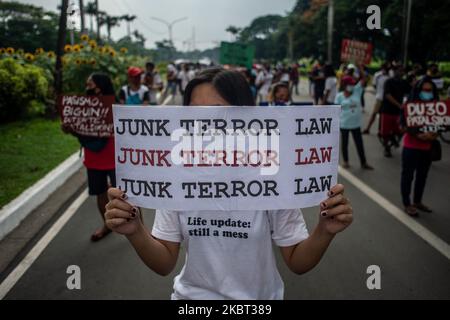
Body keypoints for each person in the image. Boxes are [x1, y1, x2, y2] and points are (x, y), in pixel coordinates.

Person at [104, 67, 354, 300]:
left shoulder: (270, 178)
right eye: (194, 112)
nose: (204, 124)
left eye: (217, 110)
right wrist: (135, 231)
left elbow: (297, 261)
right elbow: (164, 263)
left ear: (246, 116)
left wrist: (325, 230)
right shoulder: (178, 179)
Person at [62, 73, 117, 242]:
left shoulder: (115, 105)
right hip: (94, 159)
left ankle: (141, 228)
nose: (87, 87)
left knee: (127, 195)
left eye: (90, 84)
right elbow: (78, 130)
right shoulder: (82, 108)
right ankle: (107, 225)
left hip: (116, 158)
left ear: (99, 86)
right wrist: (69, 128)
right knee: (100, 194)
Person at [400, 77, 439, 216]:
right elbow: (402, 126)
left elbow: (441, 124)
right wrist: (418, 135)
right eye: (425, 90)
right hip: (411, 147)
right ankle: (407, 203)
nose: (427, 93)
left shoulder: (437, 107)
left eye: (430, 90)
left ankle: (417, 201)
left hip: (427, 149)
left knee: (422, 176)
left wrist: (435, 135)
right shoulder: (408, 105)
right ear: (418, 91)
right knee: (408, 176)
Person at [334, 65, 374, 170]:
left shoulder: (357, 91)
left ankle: (363, 162)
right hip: (344, 124)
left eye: (353, 84)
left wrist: (360, 68)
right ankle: (346, 161)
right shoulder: (339, 96)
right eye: (350, 84)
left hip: (356, 124)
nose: (352, 86)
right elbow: (336, 110)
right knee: (344, 143)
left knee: (359, 143)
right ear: (345, 85)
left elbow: (364, 79)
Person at [379, 65, 410, 157]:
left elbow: (410, 92)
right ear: (394, 71)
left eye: (402, 71)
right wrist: (399, 105)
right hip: (387, 110)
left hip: (398, 112)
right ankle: (386, 148)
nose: (400, 72)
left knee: (401, 130)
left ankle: (392, 139)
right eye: (398, 70)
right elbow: (388, 95)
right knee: (385, 133)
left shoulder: (404, 82)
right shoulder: (388, 81)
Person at [363, 63, 390, 134]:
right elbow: (374, 85)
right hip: (380, 97)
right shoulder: (378, 75)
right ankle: (368, 128)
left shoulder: (389, 76)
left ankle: (380, 130)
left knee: (382, 115)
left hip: (385, 98)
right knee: (375, 114)